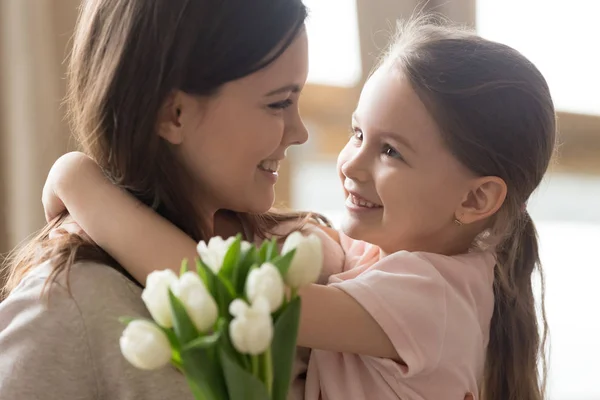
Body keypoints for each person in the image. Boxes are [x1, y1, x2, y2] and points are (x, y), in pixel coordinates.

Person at [37, 15, 555, 400]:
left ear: (474, 198)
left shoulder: (433, 298)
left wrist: (78, 180)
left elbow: (217, 297)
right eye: (357, 132)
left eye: (390, 151)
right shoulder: (388, 255)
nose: (351, 163)